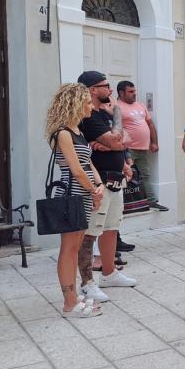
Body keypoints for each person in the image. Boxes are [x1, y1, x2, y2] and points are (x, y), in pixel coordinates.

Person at [77, 71, 138, 304]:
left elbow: (126, 139)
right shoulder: (89, 116)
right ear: (93, 89)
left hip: (114, 177)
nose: (110, 90)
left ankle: (109, 272)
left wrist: (121, 159)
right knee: (91, 231)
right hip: (97, 182)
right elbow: (116, 140)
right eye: (106, 86)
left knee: (112, 227)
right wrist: (118, 116)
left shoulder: (103, 114)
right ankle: (87, 283)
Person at [46, 83, 104, 318]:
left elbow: (89, 164)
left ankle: (73, 297)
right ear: (76, 103)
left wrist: (99, 187)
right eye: (88, 102)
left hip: (85, 195)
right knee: (68, 250)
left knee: (76, 247)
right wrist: (93, 190)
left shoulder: (78, 132)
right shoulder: (62, 133)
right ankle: (69, 302)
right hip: (72, 195)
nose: (92, 106)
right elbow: (76, 170)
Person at [116, 80, 167, 211]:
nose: (134, 94)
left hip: (143, 149)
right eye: (131, 92)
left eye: (134, 91)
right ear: (121, 93)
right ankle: (122, 205)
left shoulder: (140, 105)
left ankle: (151, 201)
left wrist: (154, 142)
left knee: (145, 175)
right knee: (125, 176)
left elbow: (150, 124)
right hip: (127, 150)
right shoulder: (116, 106)